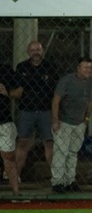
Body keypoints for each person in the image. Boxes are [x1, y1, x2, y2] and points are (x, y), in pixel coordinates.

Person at [50, 57, 92, 194]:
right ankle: (57, 182)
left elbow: (91, 102)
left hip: (79, 123)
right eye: (85, 67)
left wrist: (86, 120)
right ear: (78, 68)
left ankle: (70, 180)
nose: (88, 70)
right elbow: (56, 101)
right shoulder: (67, 81)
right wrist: (55, 120)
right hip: (64, 121)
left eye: (90, 67)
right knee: (61, 152)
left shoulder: (91, 82)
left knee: (73, 153)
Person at [15, 40, 59, 182]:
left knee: (49, 143)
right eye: (33, 50)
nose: (36, 52)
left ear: (42, 51)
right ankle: (15, 176)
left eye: (38, 49)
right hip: (26, 110)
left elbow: (53, 89)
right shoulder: (22, 67)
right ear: (28, 52)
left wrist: (30, 84)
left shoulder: (50, 67)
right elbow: (19, 88)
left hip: (46, 110)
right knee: (22, 142)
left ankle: (56, 176)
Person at [0, 64, 24, 196]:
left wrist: (7, 92)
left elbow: (20, 91)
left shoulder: (5, 69)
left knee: (9, 158)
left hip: (4, 121)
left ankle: (16, 192)